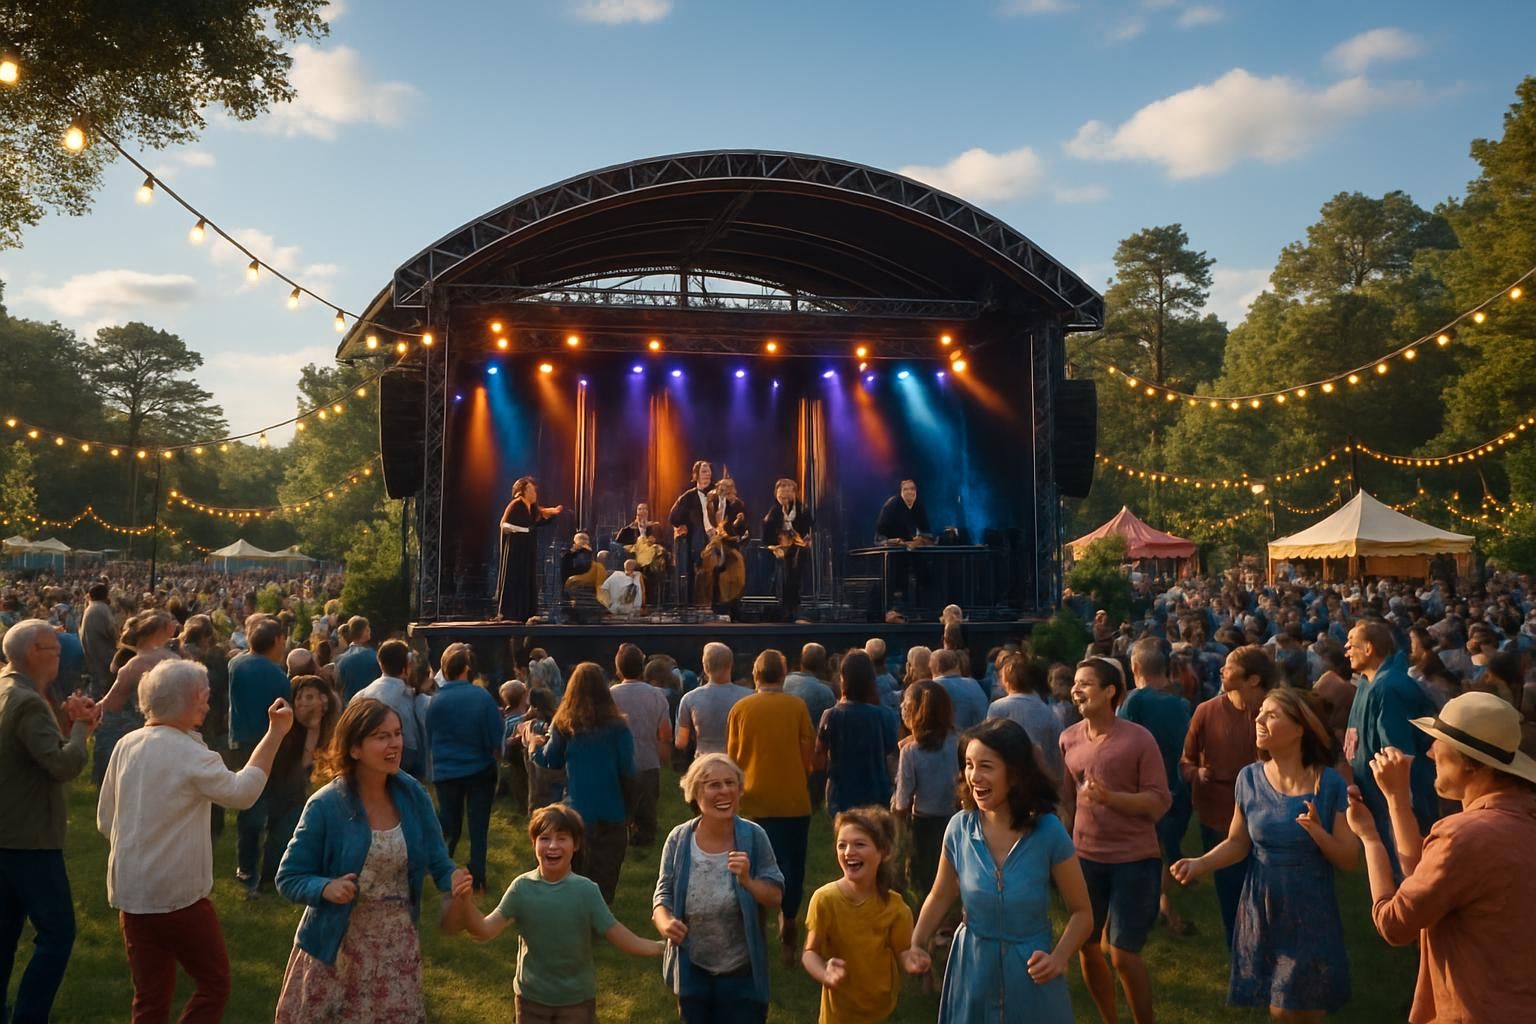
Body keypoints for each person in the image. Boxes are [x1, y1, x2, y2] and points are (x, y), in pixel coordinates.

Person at [97, 659, 292, 1023]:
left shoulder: (127, 745)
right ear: (190, 699)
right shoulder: (190, 753)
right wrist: (276, 733)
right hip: (178, 898)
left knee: (150, 995)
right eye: (204, 696)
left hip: (131, 893)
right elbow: (244, 792)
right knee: (214, 983)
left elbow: (106, 820)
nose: (207, 703)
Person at [273, 698, 471, 1022]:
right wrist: (325, 887)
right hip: (336, 948)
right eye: (381, 736)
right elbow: (289, 877)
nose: (394, 743)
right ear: (354, 748)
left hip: (396, 948)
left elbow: (439, 860)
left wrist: (452, 877)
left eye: (397, 733)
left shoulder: (413, 795)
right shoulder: (325, 805)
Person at [1345, 691, 1536, 1022]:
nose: (1430, 753)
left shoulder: (1464, 836)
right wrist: (1396, 799)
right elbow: (1428, 876)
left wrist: (1370, 839)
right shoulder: (1518, 820)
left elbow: (1394, 924)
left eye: (1439, 744)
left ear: (1469, 764)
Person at [1173, 687, 1357, 1019]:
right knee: (1280, 1010)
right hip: (1263, 905)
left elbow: (1349, 859)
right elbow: (1237, 843)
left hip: (1310, 909)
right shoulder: (1249, 778)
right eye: (1260, 712)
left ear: (1300, 728)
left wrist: (1317, 833)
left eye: (1271, 714)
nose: (1258, 719)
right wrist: (1199, 864)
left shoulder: (1329, 785)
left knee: (1303, 1011)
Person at [908, 718, 1093, 1023]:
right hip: (973, 969)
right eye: (968, 765)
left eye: (986, 766)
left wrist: (1060, 957)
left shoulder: (1048, 831)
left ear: (1015, 774)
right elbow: (941, 895)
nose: (974, 777)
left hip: (1031, 973)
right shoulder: (958, 829)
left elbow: (1082, 912)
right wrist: (916, 942)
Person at [447, 804, 663, 1023]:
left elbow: (619, 935)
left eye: (562, 838)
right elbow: (484, 930)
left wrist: (661, 947)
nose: (552, 846)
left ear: (576, 844)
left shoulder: (586, 891)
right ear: (534, 843)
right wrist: (465, 901)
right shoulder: (521, 888)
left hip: (577, 1002)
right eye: (544, 838)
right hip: (530, 1000)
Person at [1059, 656, 1170, 1024]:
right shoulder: (1069, 738)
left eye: (1086, 683)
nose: (1076, 690)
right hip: (1085, 857)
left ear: (1110, 691)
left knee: (1123, 953)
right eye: (1075, 683)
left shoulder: (1139, 740)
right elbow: (1067, 799)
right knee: (1087, 946)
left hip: (1134, 859)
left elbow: (1158, 802)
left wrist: (1111, 799)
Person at [0, 620, 97, 1024]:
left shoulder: (8, 688)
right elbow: (59, 765)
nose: (60, 654)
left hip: (7, 832)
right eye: (52, 649)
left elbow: (28, 753)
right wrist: (80, 731)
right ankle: (29, 1016)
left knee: (5, 934)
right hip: (30, 839)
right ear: (29, 653)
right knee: (57, 935)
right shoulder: (26, 700)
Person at [652, 753, 785, 1024]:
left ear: (739, 789)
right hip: (693, 967)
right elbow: (662, 894)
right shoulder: (679, 839)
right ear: (694, 794)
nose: (724, 790)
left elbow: (775, 896)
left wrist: (748, 881)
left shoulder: (753, 836)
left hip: (741, 972)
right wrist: (665, 924)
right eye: (713, 785)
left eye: (730, 783)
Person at [1180, 644, 1272, 948]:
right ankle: (1239, 954)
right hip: (1219, 815)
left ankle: (1267, 950)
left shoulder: (1276, 711)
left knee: (1267, 896)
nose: (1222, 670)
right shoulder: (1206, 711)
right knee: (1230, 890)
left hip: (1268, 818)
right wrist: (1197, 774)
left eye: (1230, 666)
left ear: (1254, 679)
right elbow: (1186, 761)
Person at [727, 649, 815, 964]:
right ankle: (789, 920)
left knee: (753, 867)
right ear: (784, 674)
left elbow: (733, 761)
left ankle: (757, 931)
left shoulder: (740, 709)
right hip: (793, 800)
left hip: (752, 804)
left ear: (755, 675)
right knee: (791, 865)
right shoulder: (797, 707)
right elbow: (809, 756)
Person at [802, 807, 924, 1023]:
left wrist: (912, 962)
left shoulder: (896, 908)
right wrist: (825, 974)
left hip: (880, 1011)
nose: (849, 852)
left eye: (859, 844)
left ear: (883, 852)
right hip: (837, 1014)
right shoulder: (825, 900)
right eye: (842, 845)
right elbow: (810, 951)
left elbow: (902, 952)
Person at [527, 663, 635, 905]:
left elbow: (551, 760)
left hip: (577, 809)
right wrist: (630, 810)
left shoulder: (565, 724)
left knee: (577, 871)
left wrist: (534, 746)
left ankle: (577, 915)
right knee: (607, 869)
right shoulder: (618, 727)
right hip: (612, 808)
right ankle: (602, 917)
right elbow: (628, 771)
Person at [1343, 621, 1436, 878]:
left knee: (1406, 873)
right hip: (1374, 796)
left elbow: (1398, 757)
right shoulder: (1367, 682)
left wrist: (1402, 807)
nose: (1346, 648)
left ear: (1370, 648)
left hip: (1396, 803)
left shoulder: (1389, 688)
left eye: (1352, 642)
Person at [1121, 640, 1193, 937]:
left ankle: (1149, 907)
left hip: (1143, 789)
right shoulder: (1182, 703)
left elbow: (1120, 743)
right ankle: (1162, 903)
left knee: (1145, 851)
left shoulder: (1135, 701)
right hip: (1177, 787)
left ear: (1135, 668)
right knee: (1163, 850)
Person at [426, 642, 503, 894]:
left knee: (448, 823)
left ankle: (440, 869)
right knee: (478, 826)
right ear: (467, 669)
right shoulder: (481, 697)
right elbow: (495, 735)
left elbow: (429, 735)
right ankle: (478, 877)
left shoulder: (434, 701)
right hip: (479, 769)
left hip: (446, 771)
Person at [226, 615, 295, 894]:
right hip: (269, 746)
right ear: (277, 640)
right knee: (264, 809)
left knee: (249, 806)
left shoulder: (235, 664)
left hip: (238, 744)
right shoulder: (277, 676)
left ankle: (246, 868)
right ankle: (263, 872)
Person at [94, 610, 180, 786]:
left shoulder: (135, 664)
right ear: (162, 630)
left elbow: (111, 704)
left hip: (140, 733)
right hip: (174, 731)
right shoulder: (175, 659)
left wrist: (86, 712)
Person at [892, 679, 957, 903]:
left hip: (924, 823)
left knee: (925, 881)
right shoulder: (959, 742)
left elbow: (902, 799)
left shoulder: (911, 751)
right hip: (955, 819)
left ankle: (928, 926)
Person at [816, 651, 898, 816]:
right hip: (877, 792)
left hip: (842, 795)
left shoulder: (831, 716)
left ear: (843, 679)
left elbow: (819, 756)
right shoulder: (885, 715)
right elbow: (891, 758)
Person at [610, 643, 673, 849]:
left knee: (619, 809)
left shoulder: (610, 695)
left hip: (618, 763)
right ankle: (645, 844)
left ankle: (622, 839)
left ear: (618, 668)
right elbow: (665, 734)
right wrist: (665, 756)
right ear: (642, 667)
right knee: (647, 812)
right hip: (648, 761)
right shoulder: (657, 695)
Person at [351, 639, 429, 779]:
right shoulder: (405, 698)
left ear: (381, 663)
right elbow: (412, 743)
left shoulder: (361, 695)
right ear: (407, 665)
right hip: (401, 763)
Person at [988, 653, 1064, 784]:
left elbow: (990, 745)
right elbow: (1057, 751)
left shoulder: (998, 708)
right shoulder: (1048, 711)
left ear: (1006, 681)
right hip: (1041, 780)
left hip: (1008, 780)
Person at [496, 476, 563, 622]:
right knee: (515, 578)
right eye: (532, 490)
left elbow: (540, 515)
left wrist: (553, 512)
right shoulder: (516, 504)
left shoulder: (531, 509)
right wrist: (522, 530)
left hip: (527, 551)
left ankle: (525, 612)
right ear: (524, 490)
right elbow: (504, 524)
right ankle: (511, 613)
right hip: (516, 551)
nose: (535, 493)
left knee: (527, 578)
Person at [675, 642, 751, 758]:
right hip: (737, 764)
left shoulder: (690, 698)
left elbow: (681, 742)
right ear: (730, 665)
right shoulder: (749, 697)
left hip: (703, 763)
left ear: (705, 666)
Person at [762, 478, 814, 622]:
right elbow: (767, 536)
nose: (784, 498)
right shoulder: (774, 511)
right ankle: (782, 609)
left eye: (787, 495)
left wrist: (806, 539)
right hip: (777, 548)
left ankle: (797, 607)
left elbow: (808, 530)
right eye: (781, 496)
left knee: (799, 559)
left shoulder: (802, 510)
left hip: (797, 548)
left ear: (794, 494)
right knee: (783, 564)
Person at [668, 461, 717, 607]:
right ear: (696, 475)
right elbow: (673, 517)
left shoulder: (716, 493)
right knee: (697, 569)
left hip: (716, 536)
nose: (707, 474)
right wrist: (684, 525)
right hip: (698, 538)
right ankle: (692, 604)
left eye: (709, 471)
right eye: (703, 471)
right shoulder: (688, 497)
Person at [930, 648, 986, 733]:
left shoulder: (930, 689)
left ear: (932, 668)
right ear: (957, 665)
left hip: (941, 743)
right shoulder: (973, 684)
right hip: (974, 740)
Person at [80, 581, 117, 698]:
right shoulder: (102, 609)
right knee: (102, 690)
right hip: (103, 655)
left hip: (92, 653)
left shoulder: (90, 608)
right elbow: (112, 632)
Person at [333, 616, 379, 702]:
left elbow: (338, 686)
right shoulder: (375, 656)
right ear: (364, 632)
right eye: (367, 629)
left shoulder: (339, 659)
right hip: (371, 703)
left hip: (349, 705)